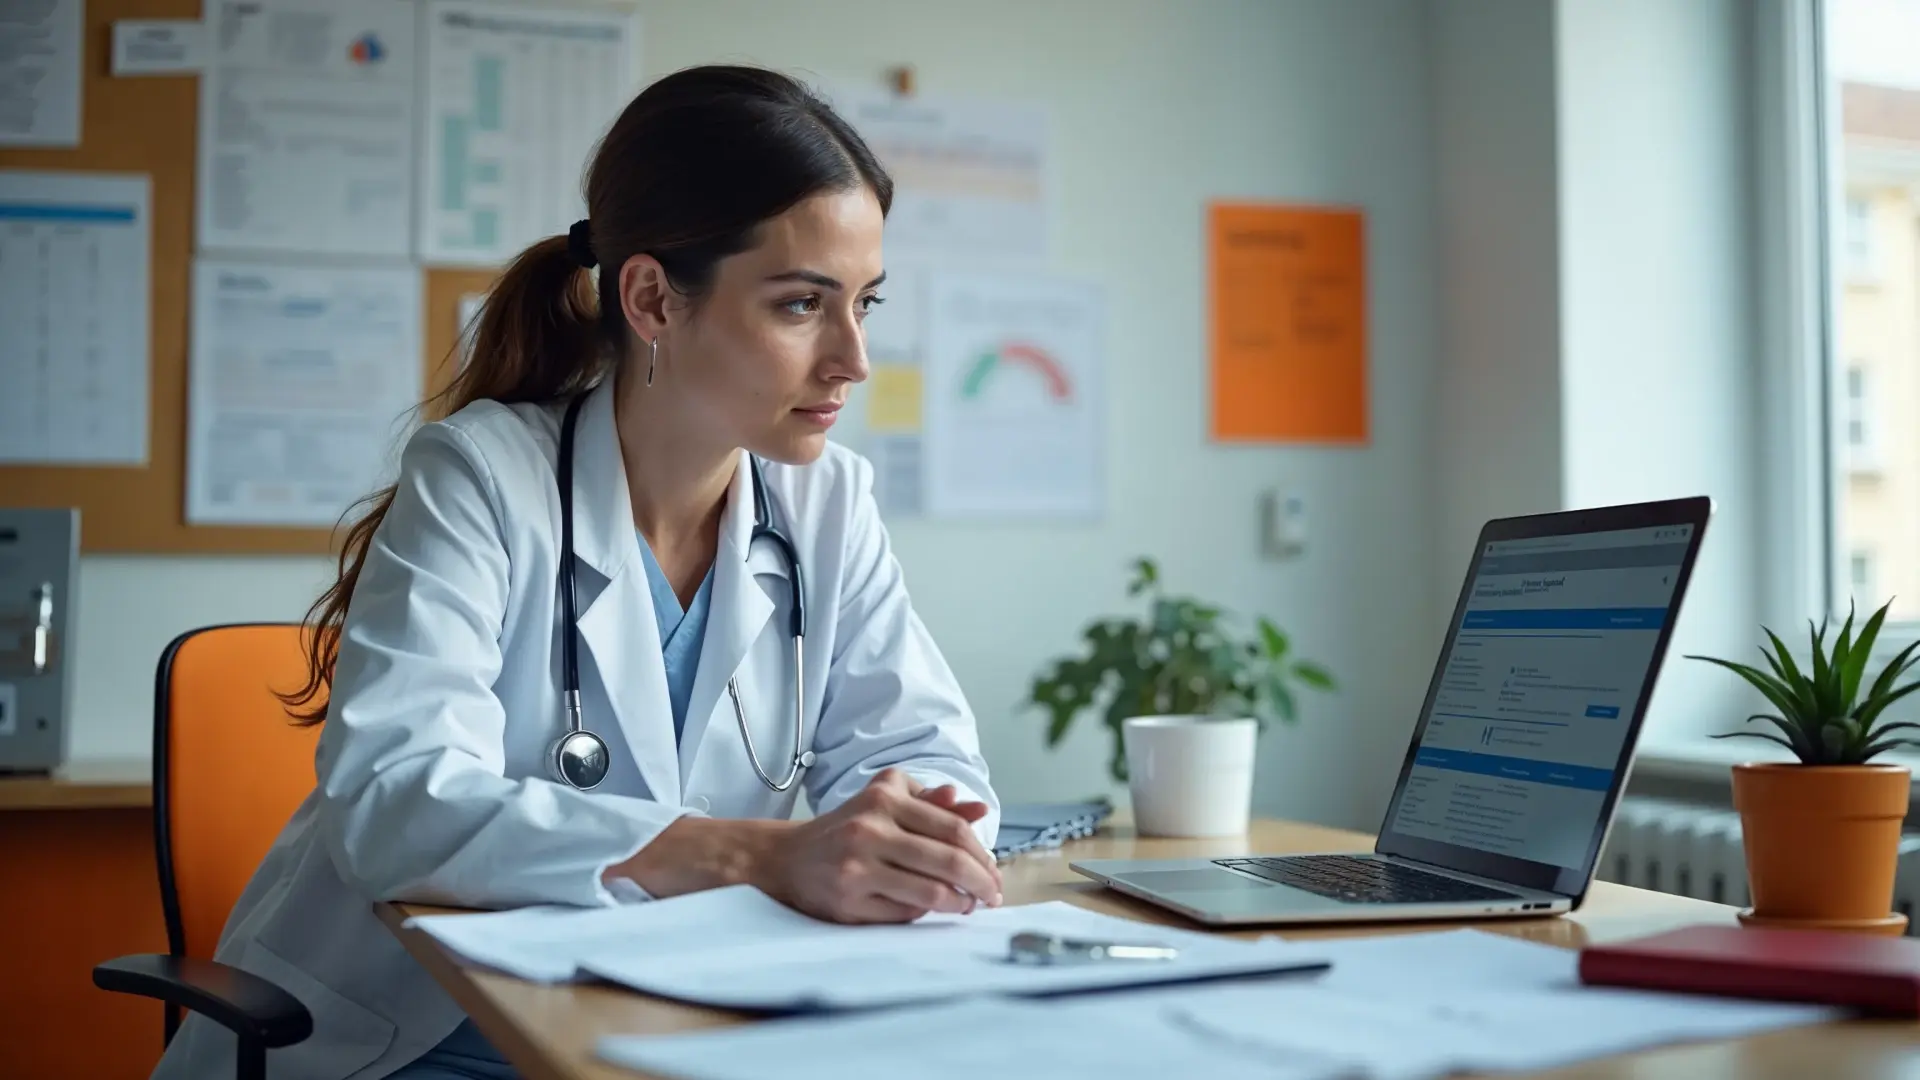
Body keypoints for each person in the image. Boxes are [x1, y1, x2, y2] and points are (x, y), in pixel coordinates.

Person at [150, 64, 1001, 1080]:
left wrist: (911, 837)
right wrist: (760, 855)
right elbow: (396, 804)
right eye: (800, 305)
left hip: (671, 1022)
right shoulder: (481, 477)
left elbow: (919, 750)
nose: (853, 358)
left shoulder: (829, 505)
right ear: (651, 298)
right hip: (410, 1041)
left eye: (865, 302)